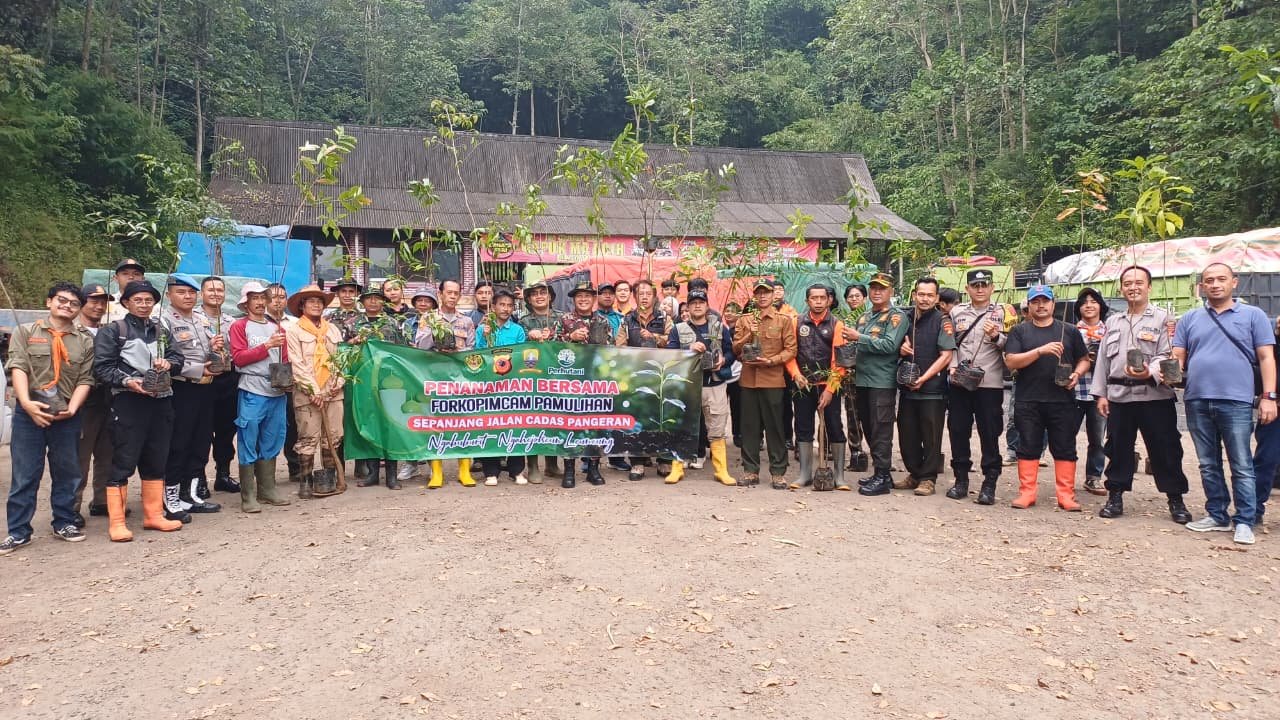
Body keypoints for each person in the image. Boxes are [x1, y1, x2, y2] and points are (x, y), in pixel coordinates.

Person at [1173, 263, 1276, 545]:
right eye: (1209, 280)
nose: (1215, 284)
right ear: (1201, 286)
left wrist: (1268, 397)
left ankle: (1245, 519)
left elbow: (1267, 358)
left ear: (1234, 283)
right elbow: (1178, 356)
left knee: (1241, 462)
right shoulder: (1189, 319)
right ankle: (1217, 513)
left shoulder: (1254, 316)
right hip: (1196, 398)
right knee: (1208, 463)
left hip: (1237, 400)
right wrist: (1167, 370)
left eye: (1221, 279)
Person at [1090, 266, 1192, 524]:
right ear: (1121, 288)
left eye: (1138, 282)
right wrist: (1101, 395)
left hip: (1154, 396)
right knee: (1117, 449)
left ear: (1149, 287)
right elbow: (1102, 361)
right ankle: (1115, 496)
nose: (1132, 287)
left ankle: (1176, 499)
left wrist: (1149, 371)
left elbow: (1169, 356)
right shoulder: (1112, 321)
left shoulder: (1163, 319)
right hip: (1119, 397)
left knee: (1166, 449)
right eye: (1127, 283)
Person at [1, 283, 95, 554]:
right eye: (61, 301)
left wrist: (73, 408)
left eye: (73, 303)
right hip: (29, 415)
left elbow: (85, 378)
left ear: (79, 309)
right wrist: (27, 404)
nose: (67, 306)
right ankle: (18, 531)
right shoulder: (25, 332)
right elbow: (17, 367)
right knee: (25, 474)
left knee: (67, 472)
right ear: (49, 301)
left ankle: (64, 521)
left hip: (66, 415)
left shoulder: (84, 339)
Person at [94, 280, 186, 541]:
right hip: (128, 402)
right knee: (124, 459)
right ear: (126, 303)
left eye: (149, 300)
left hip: (161, 400)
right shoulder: (113, 331)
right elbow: (102, 368)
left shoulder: (161, 329)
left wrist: (168, 363)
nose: (144, 305)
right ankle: (118, 521)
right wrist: (128, 381)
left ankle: (153, 515)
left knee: (157, 457)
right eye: (138, 300)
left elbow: (179, 359)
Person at [1002, 284, 1091, 510]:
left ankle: (1066, 495)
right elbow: (1011, 361)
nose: (1040, 305)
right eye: (1035, 301)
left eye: (1045, 301)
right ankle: (1027, 492)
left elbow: (1084, 359)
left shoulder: (1069, 331)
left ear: (1053, 303)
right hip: (1028, 399)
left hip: (1062, 399)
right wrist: (1040, 351)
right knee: (1028, 445)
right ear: (1029, 305)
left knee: (1065, 447)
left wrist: (1077, 373)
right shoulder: (1020, 331)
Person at [944, 269, 1015, 505]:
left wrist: (997, 337)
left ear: (992, 287)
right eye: (975, 285)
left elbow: (1013, 346)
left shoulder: (1003, 312)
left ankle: (989, 482)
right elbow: (949, 344)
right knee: (958, 430)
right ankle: (961, 479)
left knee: (989, 432)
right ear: (967, 289)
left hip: (990, 383)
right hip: (960, 381)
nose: (980, 289)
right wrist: (952, 367)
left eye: (985, 284)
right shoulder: (956, 312)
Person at [159, 274, 223, 522]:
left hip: (207, 388)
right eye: (181, 292)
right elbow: (164, 358)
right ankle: (171, 497)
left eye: (191, 292)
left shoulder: (200, 319)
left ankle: (192, 493)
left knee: (201, 441)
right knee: (178, 444)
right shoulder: (162, 321)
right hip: (182, 388)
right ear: (169, 295)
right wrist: (198, 369)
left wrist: (215, 347)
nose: (187, 297)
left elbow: (206, 352)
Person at [228, 281, 293, 511]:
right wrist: (266, 346)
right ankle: (248, 495)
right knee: (249, 436)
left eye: (261, 297)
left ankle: (268, 488)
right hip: (252, 389)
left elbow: (283, 359)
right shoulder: (239, 326)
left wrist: (287, 380)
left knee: (273, 437)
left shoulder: (278, 328)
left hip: (276, 390)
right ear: (245, 303)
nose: (258, 302)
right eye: (253, 298)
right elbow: (239, 358)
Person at [843, 273, 910, 496]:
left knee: (881, 428)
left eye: (882, 288)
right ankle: (881, 473)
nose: (877, 292)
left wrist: (858, 338)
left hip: (882, 381)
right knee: (870, 427)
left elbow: (890, 345)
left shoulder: (896, 317)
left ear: (891, 291)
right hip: (862, 380)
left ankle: (882, 476)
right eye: (873, 288)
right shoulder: (864, 318)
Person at [666, 289, 737, 486]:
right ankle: (677, 468)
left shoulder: (719, 328)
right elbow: (670, 355)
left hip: (714, 383)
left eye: (701, 302)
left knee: (716, 426)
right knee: (681, 425)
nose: (697, 305)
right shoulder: (677, 329)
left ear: (707, 306)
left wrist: (723, 360)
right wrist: (688, 350)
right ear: (687, 307)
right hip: (687, 385)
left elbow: (732, 354)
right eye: (693, 302)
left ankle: (721, 470)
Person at [782, 285, 850, 490]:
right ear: (807, 301)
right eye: (814, 298)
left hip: (829, 384)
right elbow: (790, 352)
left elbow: (840, 360)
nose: (818, 301)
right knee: (803, 426)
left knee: (834, 426)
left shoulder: (837, 324)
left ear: (829, 300)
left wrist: (830, 389)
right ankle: (804, 474)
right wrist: (796, 375)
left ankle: (839, 476)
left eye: (822, 298)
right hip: (803, 384)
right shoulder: (796, 322)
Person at [732, 280, 798, 488]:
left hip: (773, 380)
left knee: (776, 427)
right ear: (754, 296)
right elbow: (735, 349)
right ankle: (750, 470)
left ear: (773, 296)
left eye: (766, 293)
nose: (762, 297)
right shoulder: (744, 320)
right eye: (758, 293)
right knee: (749, 428)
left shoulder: (783, 320)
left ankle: (778, 472)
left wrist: (772, 361)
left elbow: (791, 349)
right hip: (749, 381)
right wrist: (748, 335)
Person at [895, 278, 957, 496]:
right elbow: (892, 343)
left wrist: (924, 378)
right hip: (906, 387)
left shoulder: (943, 320)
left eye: (930, 295)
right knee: (906, 433)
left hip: (932, 389)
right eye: (921, 294)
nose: (925, 299)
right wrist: (900, 348)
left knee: (931, 435)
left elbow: (947, 355)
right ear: (914, 295)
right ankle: (914, 473)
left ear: (937, 298)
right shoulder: (905, 318)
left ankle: (928, 478)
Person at [285, 284, 346, 498]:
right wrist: (313, 390)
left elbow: (340, 359)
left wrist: (336, 382)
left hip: (332, 392)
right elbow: (297, 363)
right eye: (311, 301)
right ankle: (305, 482)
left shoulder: (332, 329)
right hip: (307, 392)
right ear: (302, 305)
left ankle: (328, 480)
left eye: (319, 301)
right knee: (308, 437)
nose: (316, 304)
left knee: (334, 437)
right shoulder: (293, 330)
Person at [554, 282, 615, 488]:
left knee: (595, 425)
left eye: (587, 296)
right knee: (570, 424)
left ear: (594, 298)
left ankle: (593, 468)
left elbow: (612, 349)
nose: (583, 299)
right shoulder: (564, 320)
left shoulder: (603, 321)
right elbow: (551, 347)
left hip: (596, 381)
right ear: (573, 299)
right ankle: (569, 469)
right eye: (579, 296)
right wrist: (569, 337)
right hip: (570, 381)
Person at [617, 279, 674, 479]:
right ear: (635, 296)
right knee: (637, 417)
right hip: (636, 376)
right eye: (640, 293)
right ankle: (637, 461)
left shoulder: (664, 317)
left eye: (648, 293)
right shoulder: (628, 319)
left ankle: (664, 460)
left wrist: (654, 337)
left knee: (662, 416)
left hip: (660, 376)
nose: (644, 296)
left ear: (654, 296)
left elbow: (673, 341)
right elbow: (620, 346)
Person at [352, 284, 406, 488]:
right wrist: (354, 341)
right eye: (369, 298)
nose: (373, 301)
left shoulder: (392, 323)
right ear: (363, 301)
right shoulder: (354, 323)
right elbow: (344, 349)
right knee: (369, 423)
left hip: (389, 381)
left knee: (390, 425)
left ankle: (391, 474)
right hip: (363, 382)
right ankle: (372, 473)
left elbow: (402, 350)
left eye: (377, 297)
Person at [427, 279, 479, 489]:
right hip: (434, 378)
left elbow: (473, 349)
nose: (452, 296)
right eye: (448, 292)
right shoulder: (429, 318)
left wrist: (457, 352)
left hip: (459, 380)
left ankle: (464, 470)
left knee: (462, 423)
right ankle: (436, 472)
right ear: (440, 294)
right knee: (435, 425)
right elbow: (419, 345)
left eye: (456, 293)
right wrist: (435, 337)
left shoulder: (466, 322)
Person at [72, 284, 115, 524]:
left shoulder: (109, 331)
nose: (99, 306)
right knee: (80, 457)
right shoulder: (73, 331)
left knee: (107, 454)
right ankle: (71, 507)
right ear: (81, 303)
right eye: (93, 301)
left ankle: (102, 502)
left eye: (103, 302)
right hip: (84, 402)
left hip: (108, 399)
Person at [476, 288, 528, 486]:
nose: (505, 309)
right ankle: (491, 471)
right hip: (489, 385)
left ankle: (516, 470)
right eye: (502, 304)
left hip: (512, 385)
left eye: (509, 305)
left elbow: (520, 355)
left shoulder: (517, 330)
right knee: (491, 426)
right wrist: (484, 336)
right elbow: (476, 355)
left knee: (515, 425)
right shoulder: (483, 328)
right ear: (493, 306)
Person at [195, 275, 240, 495]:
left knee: (226, 430)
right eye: (211, 290)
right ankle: (199, 478)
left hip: (228, 379)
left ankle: (223, 473)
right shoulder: (193, 319)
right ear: (201, 294)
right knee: (202, 431)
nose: (216, 294)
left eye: (220, 290)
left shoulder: (232, 321)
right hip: (202, 380)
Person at [519, 280, 563, 484]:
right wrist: (529, 336)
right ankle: (533, 464)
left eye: (543, 293)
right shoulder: (523, 321)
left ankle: (552, 464)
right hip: (531, 376)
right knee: (533, 420)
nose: (539, 296)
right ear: (528, 299)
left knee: (553, 418)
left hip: (555, 376)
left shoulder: (561, 317)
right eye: (534, 294)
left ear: (550, 296)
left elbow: (567, 342)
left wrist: (554, 335)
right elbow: (516, 346)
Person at [1074, 288, 1110, 495]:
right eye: (1084, 302)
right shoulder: (1070, 331)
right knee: (1066, 436)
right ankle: (1066, 476)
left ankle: (1094, 477)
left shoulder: (1110, 330)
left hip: (1100, 393)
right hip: (1075, 390)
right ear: (1079, 308)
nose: (1089, 305)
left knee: (1097, 438)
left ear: (1100, 306)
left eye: (1093, 301)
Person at [840, 284, 869, 472]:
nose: (854, 299)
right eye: (850, 296)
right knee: (852, 415)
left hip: (869, 374)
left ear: (865, 298)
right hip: (849, 375)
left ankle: (880, 455)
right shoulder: (843, 321)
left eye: (858, 296)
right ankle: (856, 453)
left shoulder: (872, 318)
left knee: (873, 417)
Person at [723, 302, 744, 449]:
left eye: (733, 311)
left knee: (737, 406)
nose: (729, 313)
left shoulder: (742, 330)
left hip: (738, 374)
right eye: (727, 311)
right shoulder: (721, 330)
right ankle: (719, 436)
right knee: (720, 409)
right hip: (723, 375)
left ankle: (738, 434)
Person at [325, 277, 363, 342]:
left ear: (357, 294)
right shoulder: (327, 319)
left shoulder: (364, 319)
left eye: (351, 291)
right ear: (337, 293)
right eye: (343, 291)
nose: (347, 295)